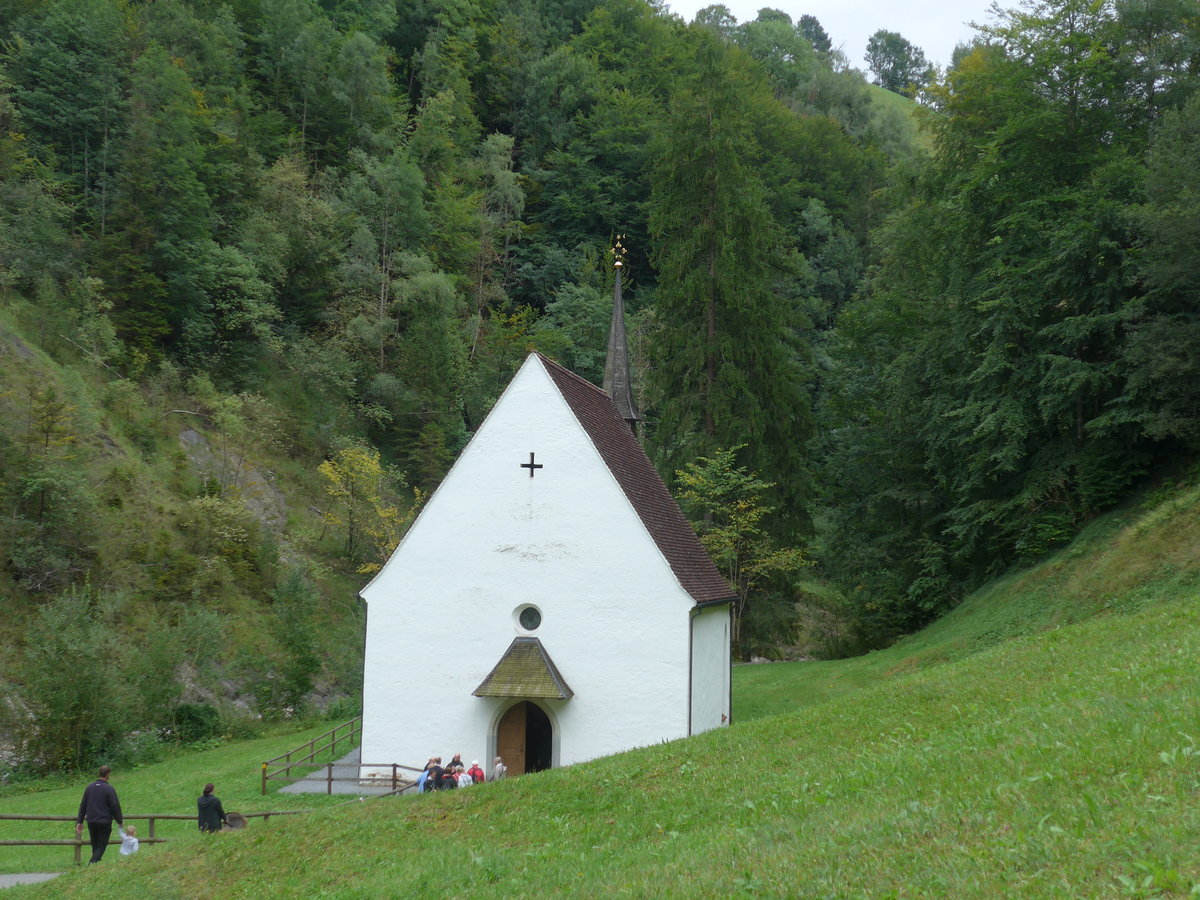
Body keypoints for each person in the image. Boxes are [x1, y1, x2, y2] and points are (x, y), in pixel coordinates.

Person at [76, 765, 124, 863]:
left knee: (95, 844)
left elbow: (83, 805)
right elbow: (115, 805)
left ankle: (94, 867)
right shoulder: (109, 789)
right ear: (108, 774)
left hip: (91, 820)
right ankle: (92, 863)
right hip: (104, 821)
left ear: (99, 773)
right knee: (101, 845)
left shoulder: (89, 788)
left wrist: (79, 821)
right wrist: (119, 820)